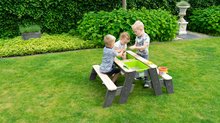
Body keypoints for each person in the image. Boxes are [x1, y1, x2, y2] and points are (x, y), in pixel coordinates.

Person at [129, 20, 151, 88]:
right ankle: (140, 76)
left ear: (141, 29)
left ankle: (146, 81)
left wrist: (135, 47)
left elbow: (144, 47)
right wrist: (134, 46)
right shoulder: (137, 36)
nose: (134, 33)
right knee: (138, 66)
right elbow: (135, 44)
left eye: (135, 31)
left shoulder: (146, 37)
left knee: (145, 67)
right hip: (138, 54)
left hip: (144, 55)